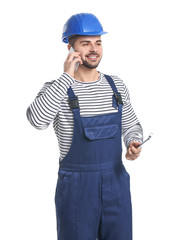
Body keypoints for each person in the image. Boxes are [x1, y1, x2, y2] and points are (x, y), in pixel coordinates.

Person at [27, 13, 143, 240]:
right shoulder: (56, 89)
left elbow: (131, 125)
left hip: (116, 181)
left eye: (98, 42)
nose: (94, 49)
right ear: (70, 48)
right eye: (85, 43)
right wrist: (66, 77)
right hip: (77, 188)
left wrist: (133, 143)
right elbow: (37, 120)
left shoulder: (115, 85)